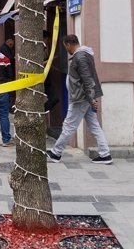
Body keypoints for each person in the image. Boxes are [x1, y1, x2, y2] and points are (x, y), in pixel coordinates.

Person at [46, 34, 112, 164]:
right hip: (84, 98)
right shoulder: (84, 55)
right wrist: (92, 98)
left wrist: (92, 99)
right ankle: (105, 154)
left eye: (66, 47)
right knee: (94, 126)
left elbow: (87, 79)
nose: (67, 49)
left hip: (80, 99)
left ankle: (56, 153)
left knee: (68, 126)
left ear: (68, 44)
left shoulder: (80, 56)